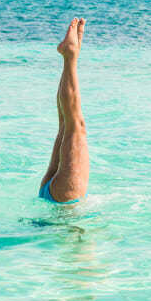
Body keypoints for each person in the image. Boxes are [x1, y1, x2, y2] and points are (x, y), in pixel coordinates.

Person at [39, 18, 89, 204]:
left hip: (65, 195)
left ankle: (71, 56)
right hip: (51, 194)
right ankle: (71, 57)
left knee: (74, 125)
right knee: (66, 124)